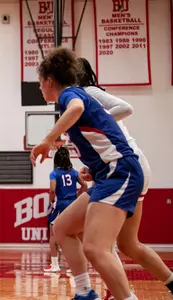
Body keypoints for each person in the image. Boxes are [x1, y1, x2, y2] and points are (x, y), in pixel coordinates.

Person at [30, 47, 143, 300]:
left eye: (39, 83)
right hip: (108, 173)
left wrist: (49, 140)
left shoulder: (71, 95)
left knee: (95, 247)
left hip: (121, 171)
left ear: (49, 81)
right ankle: (84, 292)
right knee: (62, 227)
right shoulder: (72, 96)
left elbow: (77, 108)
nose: (39, 88)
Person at [76, 57, 173, 299]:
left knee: (94, 242)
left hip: (125, 166)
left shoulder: (87, 94)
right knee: (129, 244)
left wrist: (104, 123)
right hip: (129, 166)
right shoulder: (80, 99)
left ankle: (118, 291)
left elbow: (125, 108)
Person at [43, 146, 86, 273]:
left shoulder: (54, 173)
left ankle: (55, 264)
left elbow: (52, 189)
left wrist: (51, 200)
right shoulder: (74, 172)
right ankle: (74, 266)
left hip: (60, 204)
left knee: (53, 234)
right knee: (74, 235)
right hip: (73, 205)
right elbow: (84, 185)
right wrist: (78, 198)